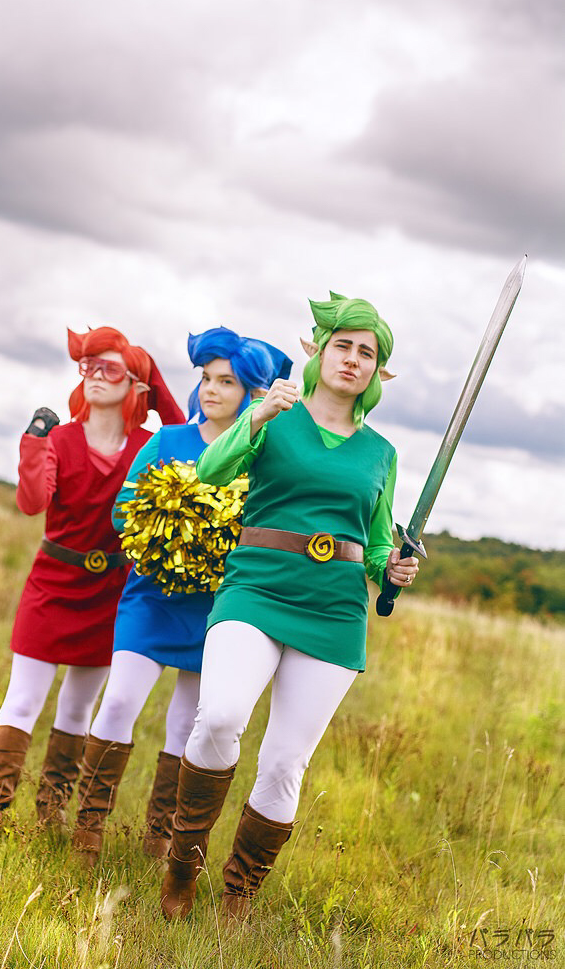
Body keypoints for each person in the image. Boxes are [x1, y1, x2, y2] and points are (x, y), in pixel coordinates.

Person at [159, 293, 421, 921]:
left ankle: (237, 899)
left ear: (378, 372)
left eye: (366, 352)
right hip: (255, 587)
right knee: (220, 716)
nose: (352, 359)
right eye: (342, 346)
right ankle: (183, 863)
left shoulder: (381, 453)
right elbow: (210, 472)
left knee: (284, 763)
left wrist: (391, 567)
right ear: (317, 351)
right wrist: (255, 417)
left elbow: (376, 542)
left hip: (334, 611)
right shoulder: (273, 415)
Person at [71, 327, 292, 868]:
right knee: (118, 701)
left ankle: (159, 836)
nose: (212, 390)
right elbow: (123, 511)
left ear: (251, 393)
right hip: (151, 596)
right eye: (207, 379)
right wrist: (168, 538)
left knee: (186, 722)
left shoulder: (258, 454)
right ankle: (87, 830)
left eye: (226, 382)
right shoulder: (167, 440)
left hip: (213, 607)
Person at [0, 326, 184, 845]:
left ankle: (51, 814)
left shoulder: (148, 445)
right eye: (88, 366)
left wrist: (156, 383)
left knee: (77, 709)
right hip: (52, 583)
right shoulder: (60, 438)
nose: (94, 376)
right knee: (22, 701)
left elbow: (186, 436)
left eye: (109, 368)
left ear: (135, 383)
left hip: (111, 591)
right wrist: (33, 443)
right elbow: (31, 503)